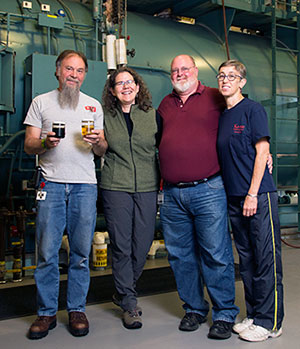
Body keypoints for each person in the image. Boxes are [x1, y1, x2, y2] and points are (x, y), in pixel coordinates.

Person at [24, 49, 107, 339]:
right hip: (52, 185)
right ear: (58, 71)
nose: (74, 74)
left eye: (80, 70)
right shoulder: (41, 103)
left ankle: (76, 309)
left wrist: (98, 142)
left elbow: (101, 149)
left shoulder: (93, 106)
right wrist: (45, 143)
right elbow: (28, 145)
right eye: (69, 69)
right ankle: (46, 313)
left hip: (85, 186)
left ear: (85, 75)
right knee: (47, 252)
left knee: (81, 253)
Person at [158, 54, 239, 340]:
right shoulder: (165, 104)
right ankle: (194, 308)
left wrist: (260, 151)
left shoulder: (216, 97)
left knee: (216, 253)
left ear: (195, 71)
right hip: (172, 194)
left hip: (208, 189)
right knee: (180, 256)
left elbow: (242, 121)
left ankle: (225, 313)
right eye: (175, 70)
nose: (180, 73)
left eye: (185, 69)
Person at [216, 59, 284, 342]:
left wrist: (253, 193)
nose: (225, 80)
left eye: (232, 76)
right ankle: (255, 314)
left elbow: (262, 152)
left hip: (258, 196)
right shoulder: (223, 115)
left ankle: (271, 321)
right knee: (247, 260)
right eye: (221, 75)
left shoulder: (253, 110)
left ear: (242, 82)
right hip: (234, 198)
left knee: (266, 259)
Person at [101, 67, 160, 329]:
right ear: (112, 90)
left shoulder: (153, 116)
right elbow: (99, 148)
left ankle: (124, 289)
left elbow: (167, 146)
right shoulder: (105, 116)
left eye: (130, 82)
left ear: (138, 87)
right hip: (115, 185)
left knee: (142, 243)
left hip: (147, 185)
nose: (126, 86)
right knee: (122, 245)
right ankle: (129, 302)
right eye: (119, 83)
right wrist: (95, 144)